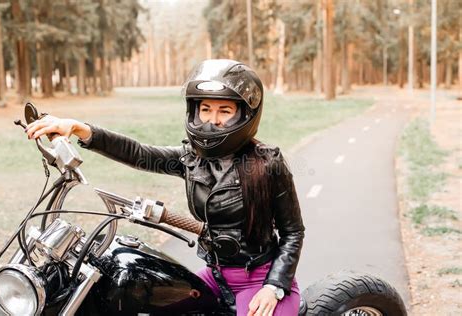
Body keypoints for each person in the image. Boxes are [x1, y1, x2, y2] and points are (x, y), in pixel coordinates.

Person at [25, 59, 305, 316]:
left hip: (261, 280)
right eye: (206, 109)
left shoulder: (268, 164)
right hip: (216, 276)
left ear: (244, 114)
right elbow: (138, 153)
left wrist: (273, 286)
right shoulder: (190, 160)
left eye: (225, 110)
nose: (213, 119)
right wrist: (79, 129)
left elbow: (293, 232)